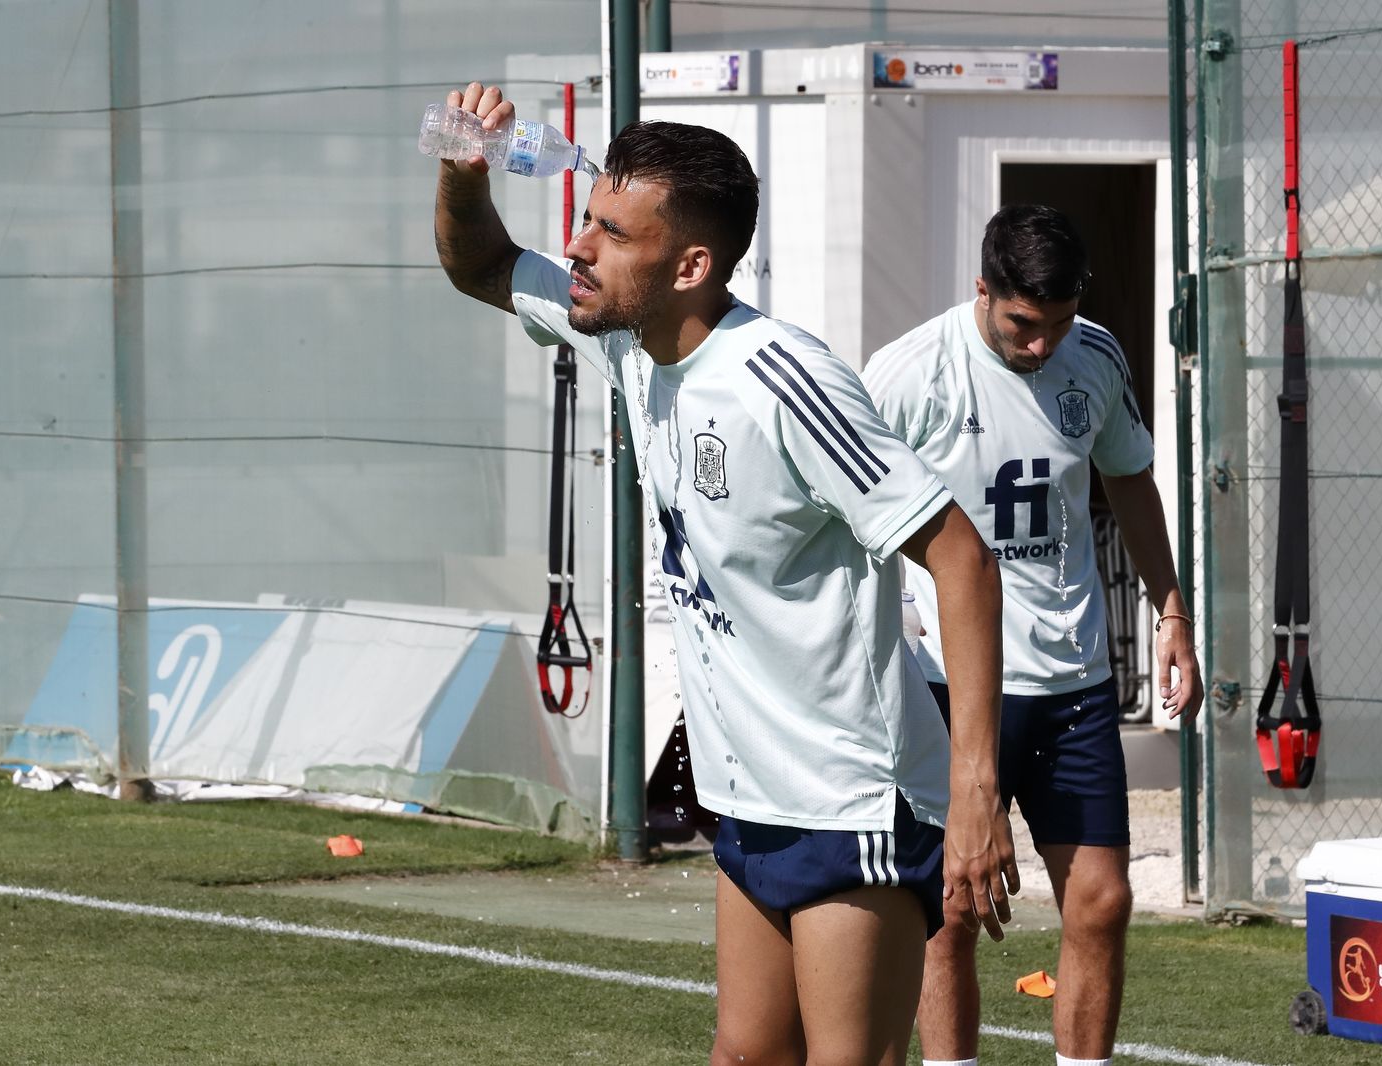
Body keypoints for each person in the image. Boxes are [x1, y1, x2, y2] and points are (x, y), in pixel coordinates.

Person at [433, 83, 1019, 1065]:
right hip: (747, 794)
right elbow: (481, 263)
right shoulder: (624, 336)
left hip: (852, 800)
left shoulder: (783, 381)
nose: (579, 247)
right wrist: (463, 167)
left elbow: (958, 553)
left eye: (613, 233)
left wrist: (973, 788)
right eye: (587, 220)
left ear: (691, 264)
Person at [862, 204, 1204, 1066]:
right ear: (983, 290)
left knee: (1101, 901)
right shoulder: (907, 375)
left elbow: (1129, 480)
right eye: (1023, 324)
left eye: (1057, 324)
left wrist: (1171, 612)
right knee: (949, 916)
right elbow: (850, 521)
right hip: (943, 685)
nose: (1043, 345)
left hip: (1074, 685)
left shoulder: (1095, 354)